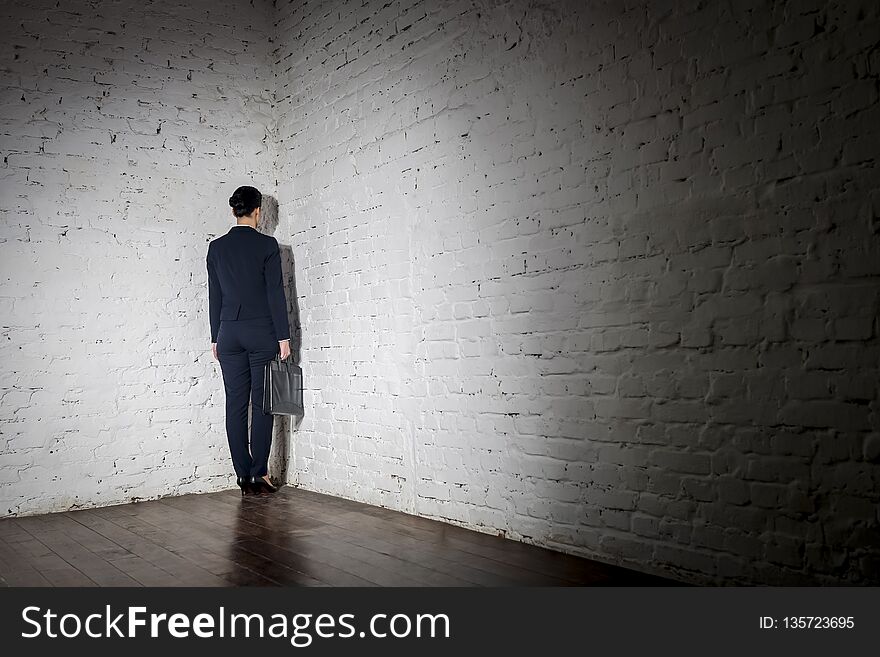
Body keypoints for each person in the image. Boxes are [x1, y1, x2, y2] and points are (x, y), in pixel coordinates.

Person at [206, 185, 291, 496]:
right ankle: (259, 474)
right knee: (264, 405)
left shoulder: (216, 248)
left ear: (234, 211)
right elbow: (274, 294)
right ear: (259, 211)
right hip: (261, 334)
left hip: (228, 334)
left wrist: (216, 336)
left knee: (236, 405)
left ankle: (241, 475)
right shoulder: (267, 246)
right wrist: (284, 335)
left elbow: (214, 294)